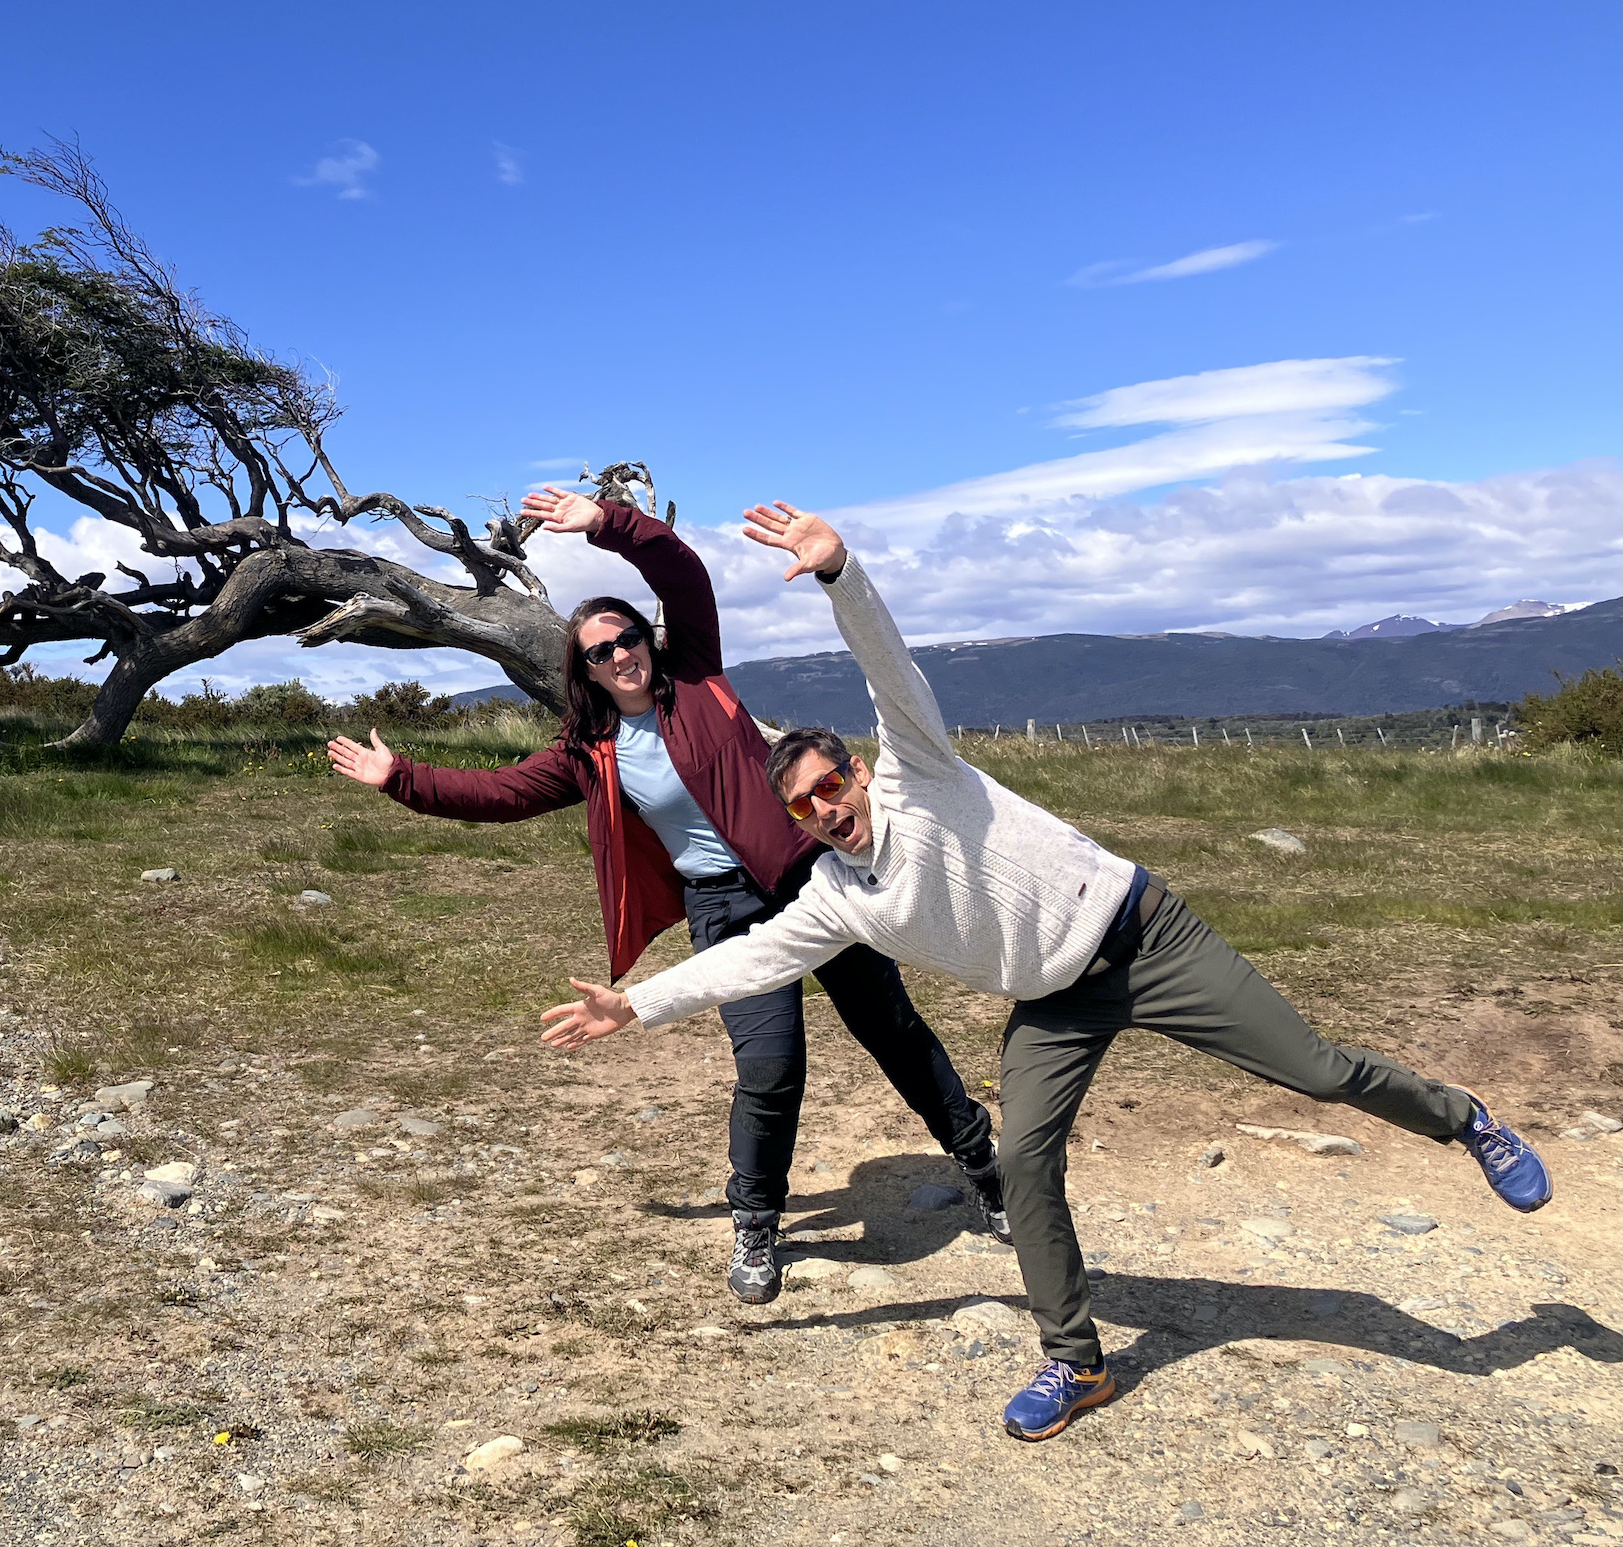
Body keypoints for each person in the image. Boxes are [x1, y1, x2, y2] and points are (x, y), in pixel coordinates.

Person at [538, 499, 1555, 1442]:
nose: (825, 812)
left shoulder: (922, 772)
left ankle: (1467, 1119)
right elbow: (750, 958)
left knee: (1318, 1069)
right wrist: (635, 1003)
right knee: (1022, 1159)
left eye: (830, 787)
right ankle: (1079, 1361)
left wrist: (842, 573)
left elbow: (887, 667)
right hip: (1055, 1002)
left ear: (856, 770)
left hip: (1146, 938)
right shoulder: (840, 896)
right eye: (801, 808)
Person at [326, 485, 1007, 1307]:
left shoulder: (696, 677)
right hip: (721, 909)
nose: (620, 654)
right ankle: (757, 1218)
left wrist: (609, 524)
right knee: (769, 1066)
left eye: (627, 637)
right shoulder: (589, 751)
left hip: (810, 881)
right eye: (600, 651)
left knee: (891, 1029)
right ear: (582, 670)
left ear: (647, 641)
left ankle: (983, 1168)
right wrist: (401, 778)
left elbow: (683, 576)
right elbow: (498, 792)